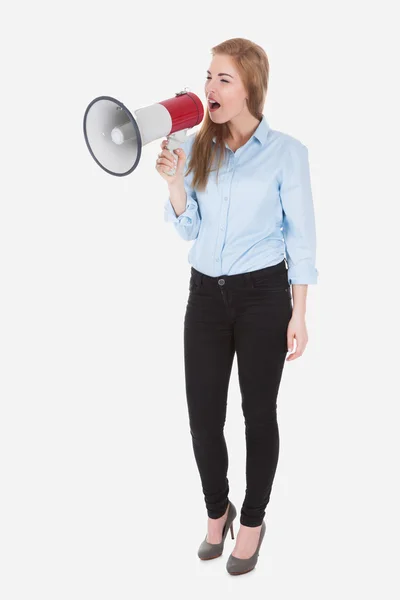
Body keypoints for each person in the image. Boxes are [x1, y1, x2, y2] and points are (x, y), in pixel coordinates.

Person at [156, 37, 318, 576]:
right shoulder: (200, 146)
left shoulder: (287, 154)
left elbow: (302, 239)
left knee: (257, 414)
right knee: (203, 416)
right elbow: (188, 228)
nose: (209, 88)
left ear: (250, 87)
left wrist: (299, 312)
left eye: (223, 79)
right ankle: (215, 509)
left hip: (263, 298)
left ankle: (251, 521)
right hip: (204, 295)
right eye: (208, 77)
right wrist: (177, 182)